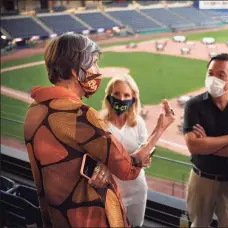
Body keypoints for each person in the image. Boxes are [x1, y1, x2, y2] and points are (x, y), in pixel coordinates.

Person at [23, 33, 175, 227]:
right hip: (89, 218)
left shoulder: (34, 110)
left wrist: (100, 164)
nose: (97, 70)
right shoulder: (82, 115)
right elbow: (129, 169)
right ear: (74, 70)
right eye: (93, 62)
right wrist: (160, 129)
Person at [183, 53, 228, 227]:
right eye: (210, 73)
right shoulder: (194, 105)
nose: (213, 79)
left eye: (221, 75)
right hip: (201, 179)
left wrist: (207, 142)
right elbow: (193, 146)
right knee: (198, 224)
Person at [100, 75, 148, 227]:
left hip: (137, 188)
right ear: (109, 96)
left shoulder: (138, 122)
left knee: (136, 225)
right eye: (117, 94)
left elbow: (145, 149)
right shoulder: (100, 123)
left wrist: (147, 158)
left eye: (126, 95)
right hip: (112, 190)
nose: (121, 98)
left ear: (133, 98)